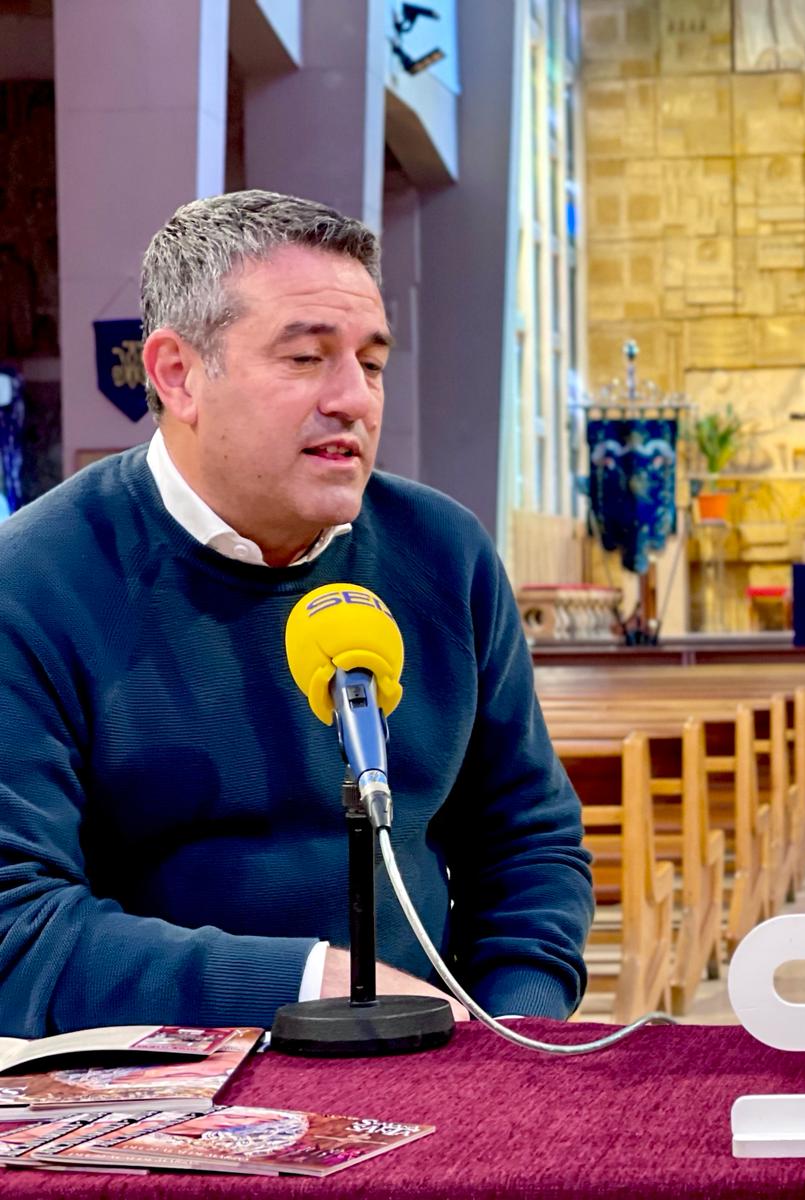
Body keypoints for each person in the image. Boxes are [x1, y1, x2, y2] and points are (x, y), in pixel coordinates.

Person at [0, 190, 593, 1036]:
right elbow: (13, 934)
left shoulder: (444, 555)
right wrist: (314, 986)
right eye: (308, 358)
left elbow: (528, 846)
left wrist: (512, 1032)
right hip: (156, 1092)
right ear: (177, 374)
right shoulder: (34, 583)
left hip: (434, 1059)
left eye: (373, 362)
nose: (354, 399)